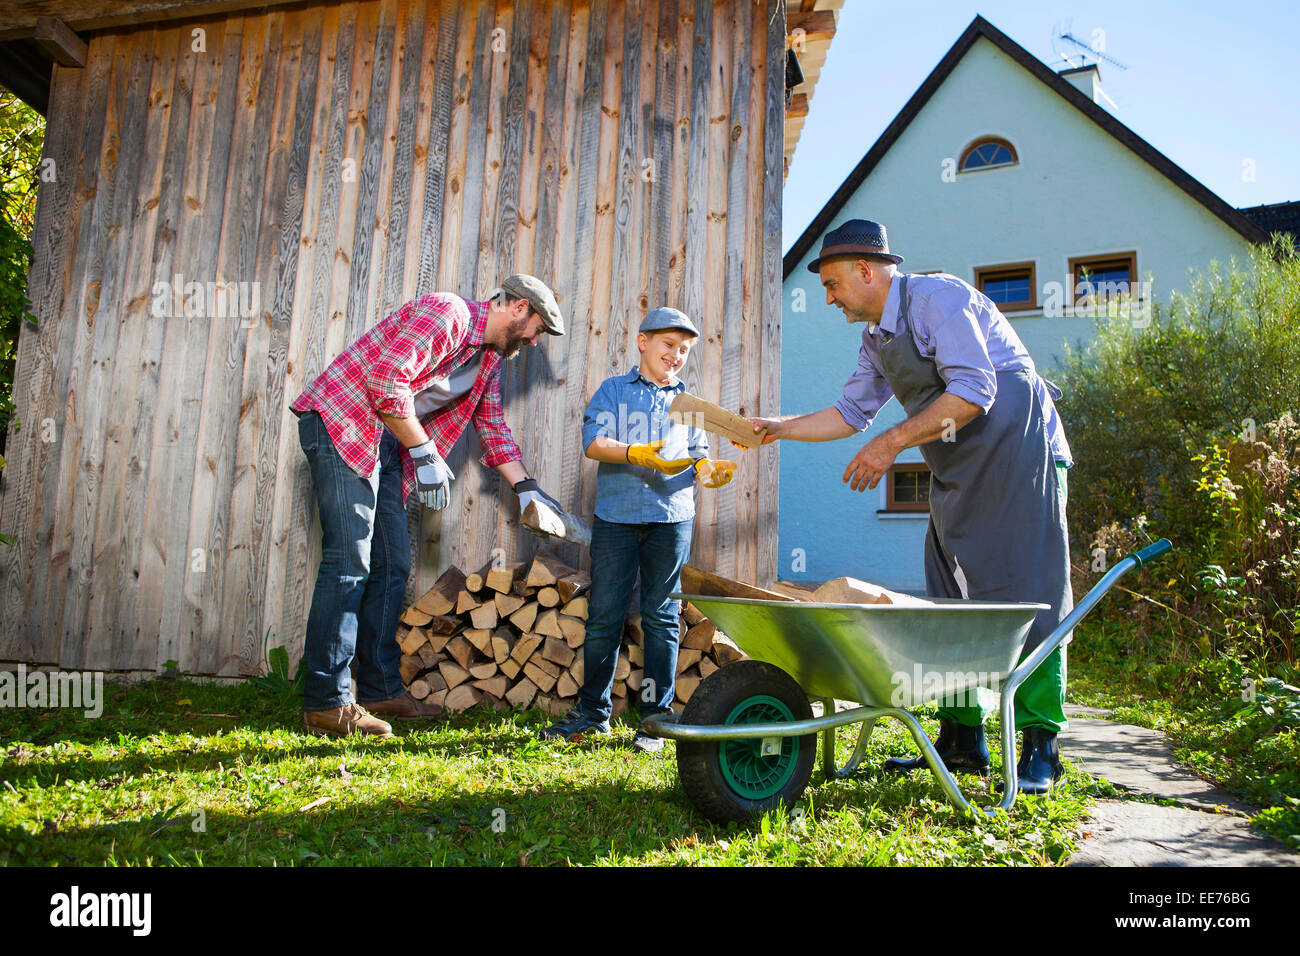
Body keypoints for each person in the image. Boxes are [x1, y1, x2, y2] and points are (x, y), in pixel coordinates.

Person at [751, 220, 1073, 793]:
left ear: (867, 271)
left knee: (1031, 589)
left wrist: (891, 443)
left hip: (1019, 449)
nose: (827, 297)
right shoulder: (876, 338)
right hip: (959, 464)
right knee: (947, 587)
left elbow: (976, 390)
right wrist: (779, 428)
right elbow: (850, 413)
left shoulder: (938, 299)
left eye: (832, 284)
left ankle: (1040, 745)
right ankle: (961, 739)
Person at [290, 274, 567, 738]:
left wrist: (527, 489)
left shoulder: (487, 363)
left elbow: (492, 426)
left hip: (388, 444)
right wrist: (424, 451)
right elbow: (385, 380)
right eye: (539, 327)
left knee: (391, 563)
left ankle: (378, 689)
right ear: (518, 308)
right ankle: (326, 703)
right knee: (348, 563)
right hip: (344, 423)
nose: (536, 342)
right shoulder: (449, 314)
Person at [539, 307, 737, 751]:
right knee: (605, 615)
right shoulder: (613, 390)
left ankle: (655, 720)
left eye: (684, 350)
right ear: (643, 342)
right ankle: (592, 714)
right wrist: (639, 454)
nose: (676, 355)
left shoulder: (690, 404)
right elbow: (594, 443)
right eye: (668, 345)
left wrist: (708, 471)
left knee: (662, 617)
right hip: (617, 520)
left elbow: (699, 453)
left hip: (672, 519)